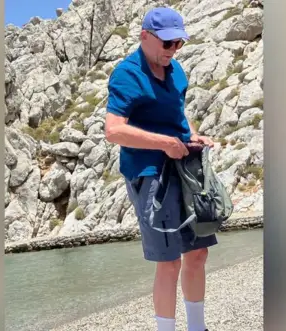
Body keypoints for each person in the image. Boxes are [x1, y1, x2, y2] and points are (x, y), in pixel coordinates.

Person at [104, 6, 218, 331]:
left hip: (185, 171)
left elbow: (178, 115)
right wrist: (163, 144)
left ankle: (198, 328)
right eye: (167, 44)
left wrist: (192, 136)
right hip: (150, 176)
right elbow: (113, 130)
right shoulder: (127, 74)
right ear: (145, 37)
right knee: (168, 263)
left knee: (198, 253)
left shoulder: (176, 71)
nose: (173, 50)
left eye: (178, 43)